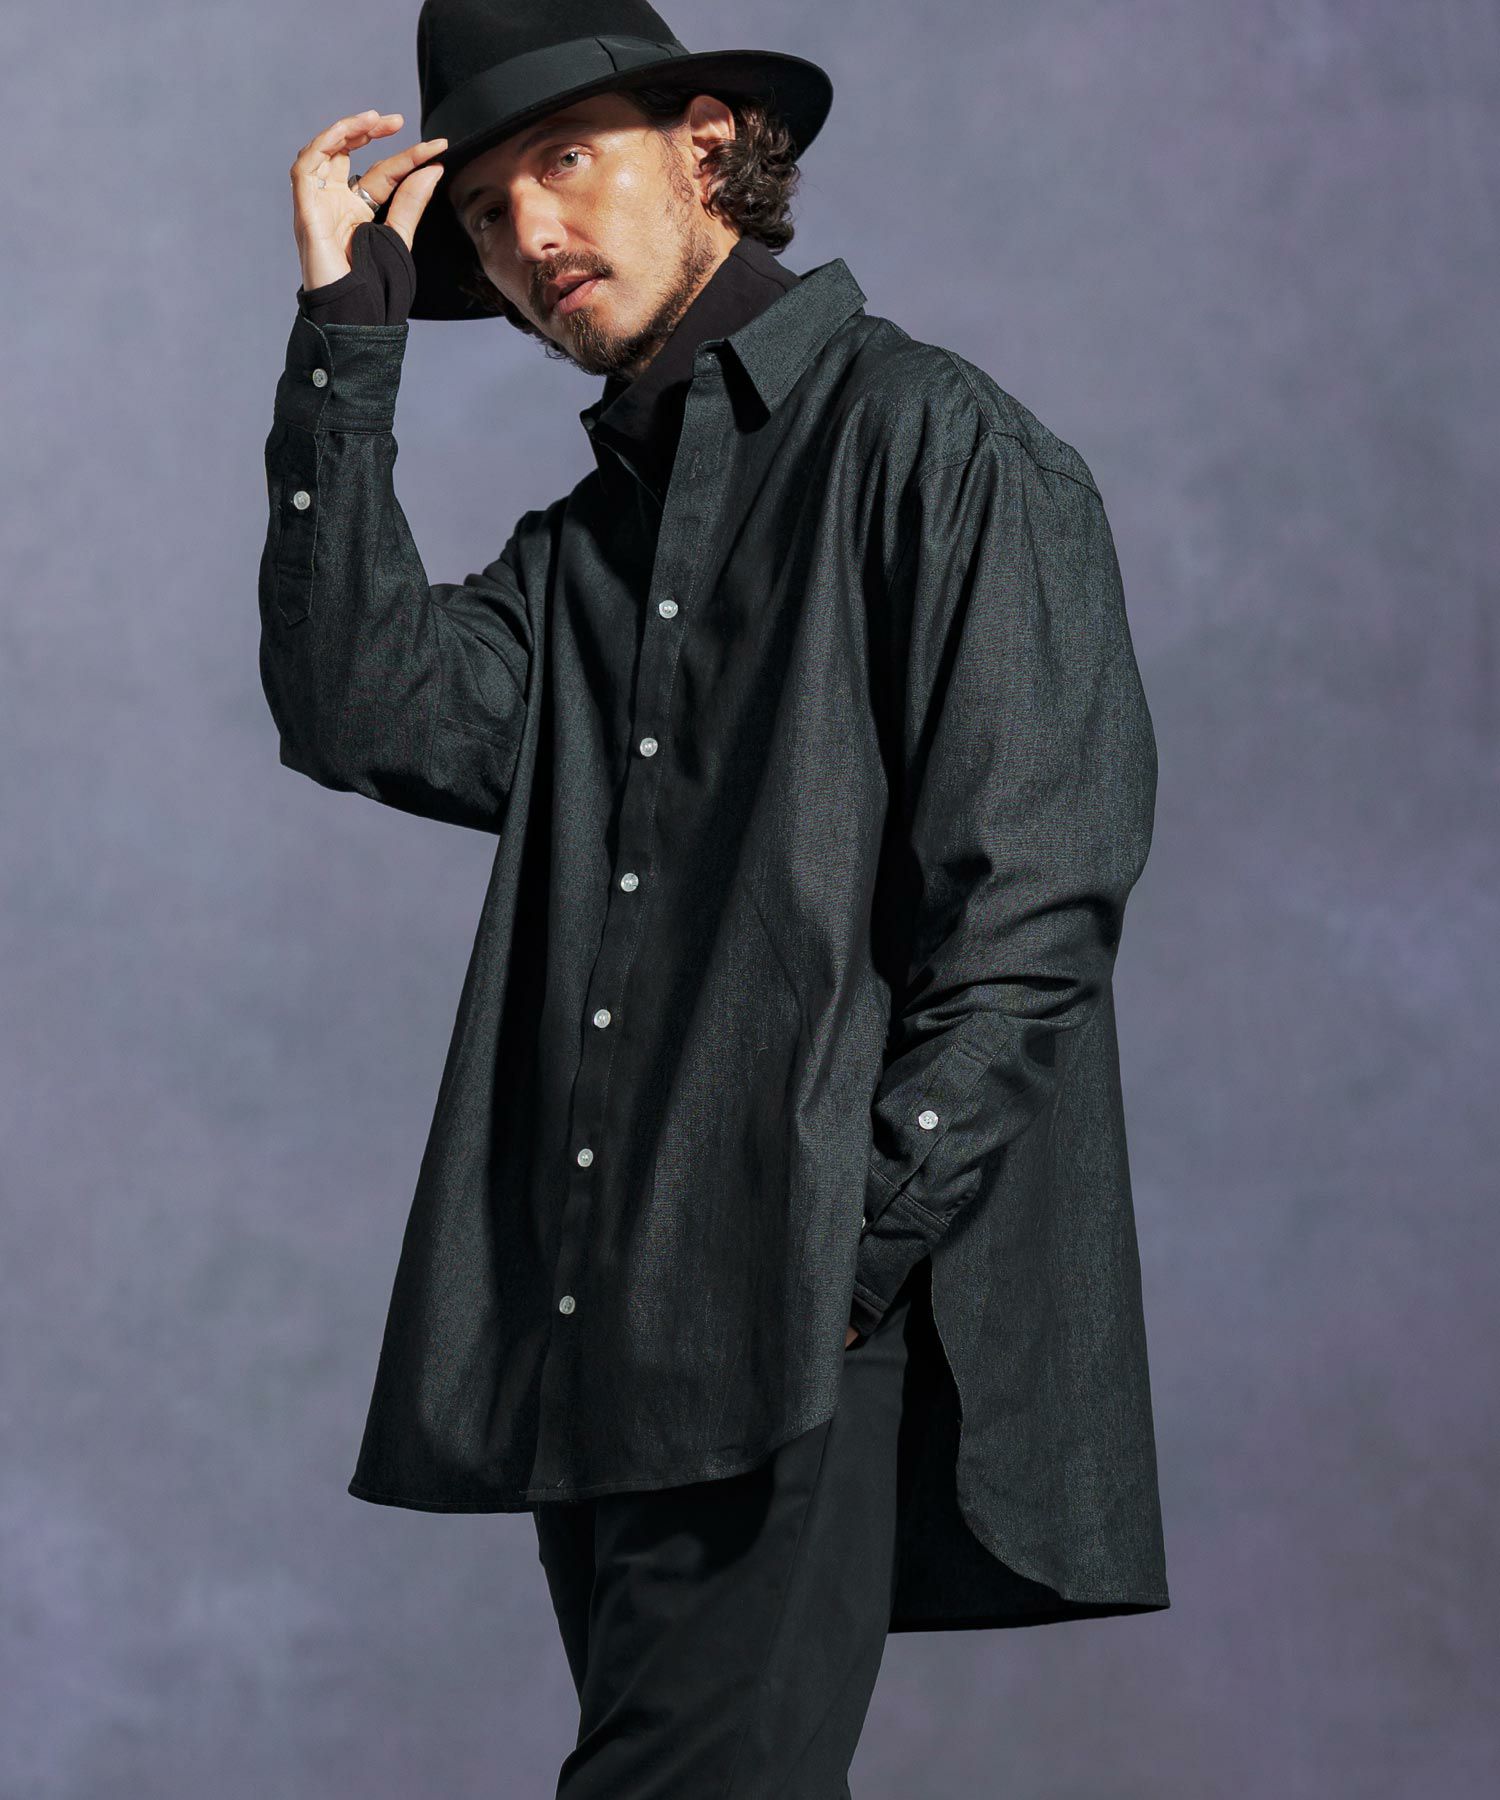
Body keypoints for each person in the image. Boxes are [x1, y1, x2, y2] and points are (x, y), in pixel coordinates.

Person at [260, 2, 1171, 1792]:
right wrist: (344, 339)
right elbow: (359, 707)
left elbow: (1037, 903)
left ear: (705, 145)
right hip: (598, 1323)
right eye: (483, 210)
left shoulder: (938, 446)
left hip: (800, 1308)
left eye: (565, 160)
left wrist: (841, 1253)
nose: (527, 234)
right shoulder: (589, 551)